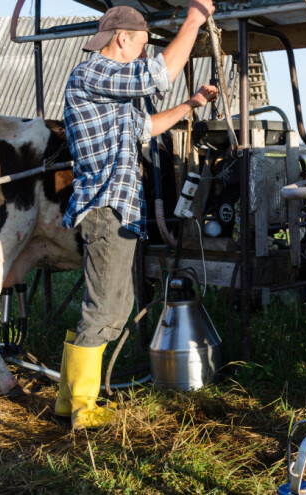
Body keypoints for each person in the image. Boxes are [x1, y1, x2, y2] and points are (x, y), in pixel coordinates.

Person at [55, 1, 218, 430]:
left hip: (120, 209)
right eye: (143, 45)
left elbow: (145, 128)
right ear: (122, 38)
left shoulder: (111, 90)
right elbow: (158, 73)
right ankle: (82, 408)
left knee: (115, 304)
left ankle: (67, 398)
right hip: (107, 207)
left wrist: (191, 103)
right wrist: (195, 18)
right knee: (104, 308)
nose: (145, 54)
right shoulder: (93, 72)